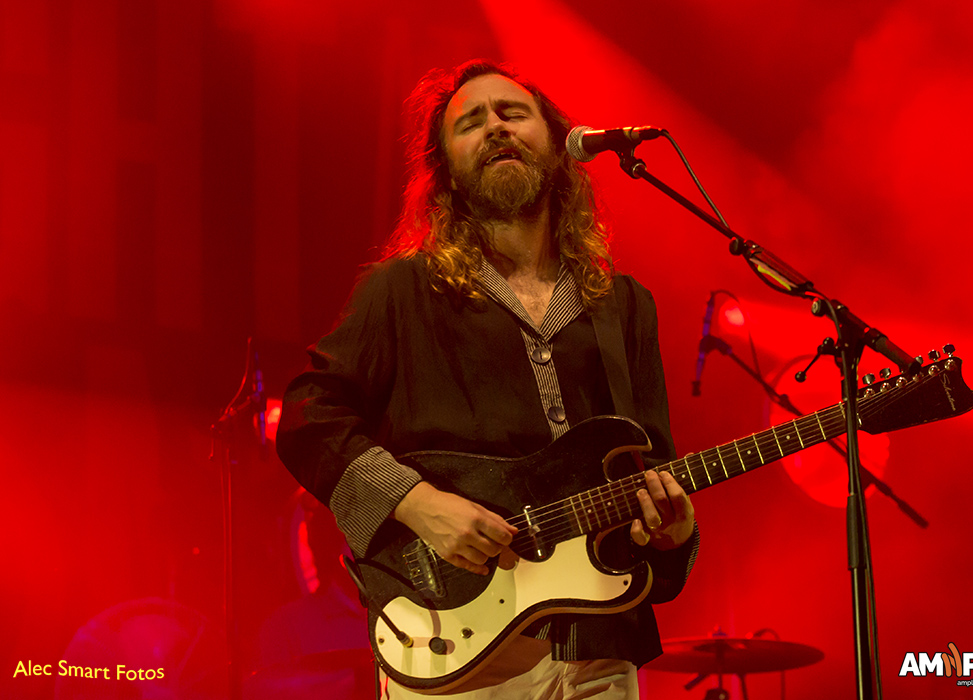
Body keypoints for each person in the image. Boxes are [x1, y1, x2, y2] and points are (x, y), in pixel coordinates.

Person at [277, 59, 698, 699]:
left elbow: (652, 470)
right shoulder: (402, 292)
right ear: (445, 169)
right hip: (456, 645)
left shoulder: (625, 305)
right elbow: (309, 416)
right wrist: (418, 504)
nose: (495, 128)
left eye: (512, 112)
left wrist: (672, 533)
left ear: (559, 143)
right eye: (470, 123)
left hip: (601, 650)